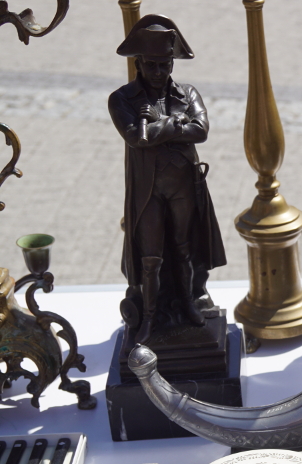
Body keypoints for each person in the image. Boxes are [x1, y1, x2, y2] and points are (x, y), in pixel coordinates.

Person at [109, 15, 226, 344]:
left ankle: (189, 303)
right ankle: (149, 318)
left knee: (184, 249)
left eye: (165, 65)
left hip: (183, 186)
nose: (159, 72)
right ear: (138, 64)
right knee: (150, 258)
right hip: (148, 191)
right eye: (152, 65)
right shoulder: (122, 99)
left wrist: (158, 122)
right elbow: (136, 138)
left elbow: (200, 130)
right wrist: (177, 123)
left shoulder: (187, 93)